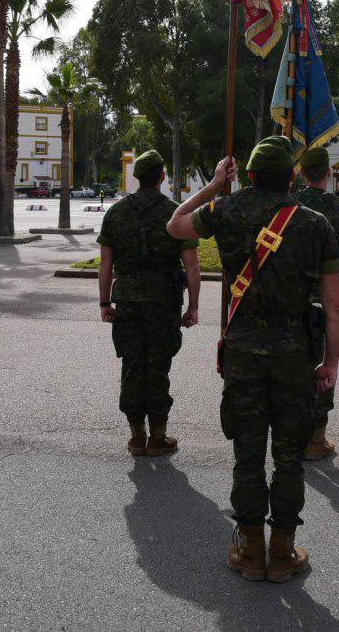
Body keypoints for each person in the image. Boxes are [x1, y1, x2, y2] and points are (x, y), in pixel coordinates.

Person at [167, 138, 339, 584]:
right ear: (291, 177)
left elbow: (175, 224)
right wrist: (331, 363)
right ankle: (282, 552)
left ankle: (250, 550)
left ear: (248, 175)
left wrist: (213, 186)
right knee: (289, 457)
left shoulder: (225, 211)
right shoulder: (315, 224)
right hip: (294, 358)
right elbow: (334, 306)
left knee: (247, 455)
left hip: (243, 355)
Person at [97, 149, 201, 456]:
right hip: (163, 301)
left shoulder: (115, 213)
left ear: (137, 178)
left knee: (132, 364)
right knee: (158, 365)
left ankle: (136, 436)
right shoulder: (176, 213)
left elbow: (105, 263)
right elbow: (192, 266)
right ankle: (158, 436)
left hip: (127, 300)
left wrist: (104, 303)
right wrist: (193, 307)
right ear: (162, 177)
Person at [294, 146, 339, 461]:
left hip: (292, 298)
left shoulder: (290, 206)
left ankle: (293, 433)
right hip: (330, 300)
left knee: (295, 362)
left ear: (301, 173)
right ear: (330, 173)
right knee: (327, 360)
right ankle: (316, 438)